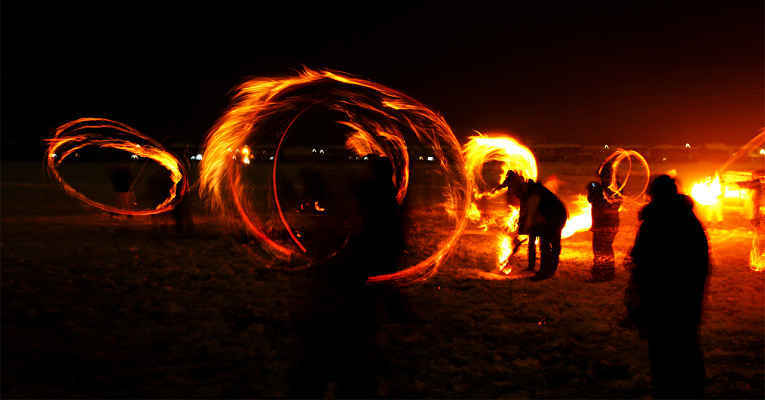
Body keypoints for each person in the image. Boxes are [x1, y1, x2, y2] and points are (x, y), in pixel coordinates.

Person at [625, 174, 709, 398]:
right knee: (686, 346)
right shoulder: (690, 221)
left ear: (653, 195)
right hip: (687, 297)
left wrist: (639, 292)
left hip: (660, 298)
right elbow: (700, 262)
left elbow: (644, 262)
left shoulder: (654, 222)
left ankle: (668, 390)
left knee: (663, 350)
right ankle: (691, 389)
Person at [498, 170, 568, 280]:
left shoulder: (533, 192)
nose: (512, 192)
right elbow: (524, 215)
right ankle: (534, 268)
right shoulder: (525, 193)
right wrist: (519, 231)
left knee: (546, 244)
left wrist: (523, 231)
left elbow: (530, 215)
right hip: (546, 216)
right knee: (538, 239)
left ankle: (546, 272)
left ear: (518, 185)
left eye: (512, 188)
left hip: (555, 216)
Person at [587, 163, 622, 282]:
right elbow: (591, 200)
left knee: (601, 249)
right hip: (608, 223)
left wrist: (594, 190)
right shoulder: (615, 188)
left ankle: (601, 274)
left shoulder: (611, 189)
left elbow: (600, 203)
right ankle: (606, 273)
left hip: (605, 224)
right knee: (604, 248)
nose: (603, 179)